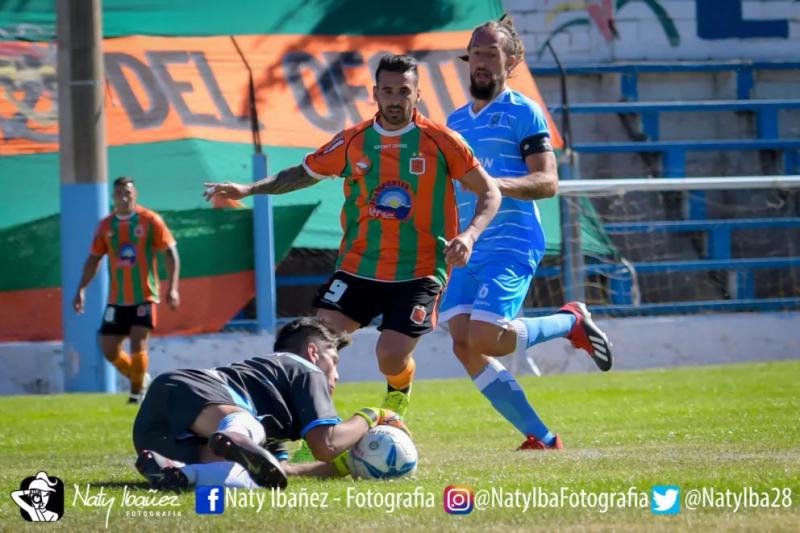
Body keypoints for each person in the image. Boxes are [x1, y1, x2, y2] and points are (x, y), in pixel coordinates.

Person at [204, 54, 501, 421]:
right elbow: (303, 173)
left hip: (420, 270)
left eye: (403, 91)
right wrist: (249, 188)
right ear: (374, 93)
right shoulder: (353, 142)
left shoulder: (442, 142)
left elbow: (490, 192)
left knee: (389, 355)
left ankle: (397, 394)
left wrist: (470, 236)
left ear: (418, 95)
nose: (395, 99)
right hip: (359, 266)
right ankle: (313, 424)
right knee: (312, 345)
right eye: (388, 91)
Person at [438, 15, 614, 451]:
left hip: (512, 240)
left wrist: (494, 185)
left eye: (490, 53)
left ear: (511, 60)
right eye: (475, 52)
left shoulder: (524, 111)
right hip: (469, 244)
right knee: (463, 343)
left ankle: (571, 320)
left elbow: (547, 182)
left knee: (486, 339)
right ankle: (542, 436)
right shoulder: (454, 121)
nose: (479, 61)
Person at [133, 317, 408, 489]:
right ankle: (233, 432)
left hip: (157, 434)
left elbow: (280, 469)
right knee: (245, 427)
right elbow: (326, 444)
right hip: (194, 389)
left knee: (247, 476)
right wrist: (373, 415)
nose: (336, 374)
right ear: (313, 352)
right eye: (334, 361)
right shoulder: (305, 369)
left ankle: (179, 474)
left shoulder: (271, 392)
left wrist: (341, 467)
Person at [73, 176, 180, 404]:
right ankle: (141, 380)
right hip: (117, 299)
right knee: (109, 349)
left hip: (145, 295)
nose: (124, 196)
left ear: (135, 194)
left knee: (137, 341)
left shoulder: (150, 220)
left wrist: (172, 288)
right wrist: (81, 288)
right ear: (113, 197)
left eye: (128, 192)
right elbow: (94, 259)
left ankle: (135, 395)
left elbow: (170, 252)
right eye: (119, 192)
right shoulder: (106, 226)